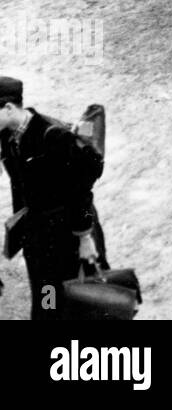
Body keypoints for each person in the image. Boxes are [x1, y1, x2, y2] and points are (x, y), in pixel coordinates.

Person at [0, 76, 108, 320]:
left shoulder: (53, 137)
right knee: (46, 294)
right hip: (38, 236)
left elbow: (80, 192)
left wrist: (85, 239)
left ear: (8, 108)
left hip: (69, 232)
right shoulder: (8, 137)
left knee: (83, 294)